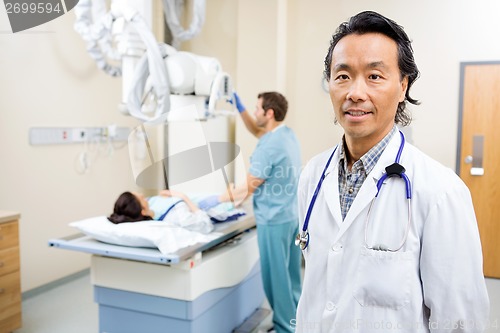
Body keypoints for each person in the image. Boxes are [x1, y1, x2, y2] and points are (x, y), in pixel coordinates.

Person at [295, 11, 489, 333]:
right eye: (342, 76)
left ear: (402, 86)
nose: (355, 92)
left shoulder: (441, 192)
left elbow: (460, 322)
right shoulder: (313, 177)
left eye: (374, 76)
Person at [199, 91, 302, 333]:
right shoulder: (285, 135)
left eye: (257, 109)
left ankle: (284, 328)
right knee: (291, 278)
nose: (254, 112)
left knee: (275, 280)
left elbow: (245, 189)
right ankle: (297, 322)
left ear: (269, 113)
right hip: (291, 217)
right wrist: (241, 109)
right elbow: (257, 131)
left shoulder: (269, 148)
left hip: (273, 221)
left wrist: (212, 200)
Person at [108, 189, 214, 234]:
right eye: (140, 198)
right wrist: (184, 197)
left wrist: (162, 197)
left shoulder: (149, 204)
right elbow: (205, 225)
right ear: (143, 212)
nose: (142, 195)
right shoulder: (174, 217)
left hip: (193, 200)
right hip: (204, 209)